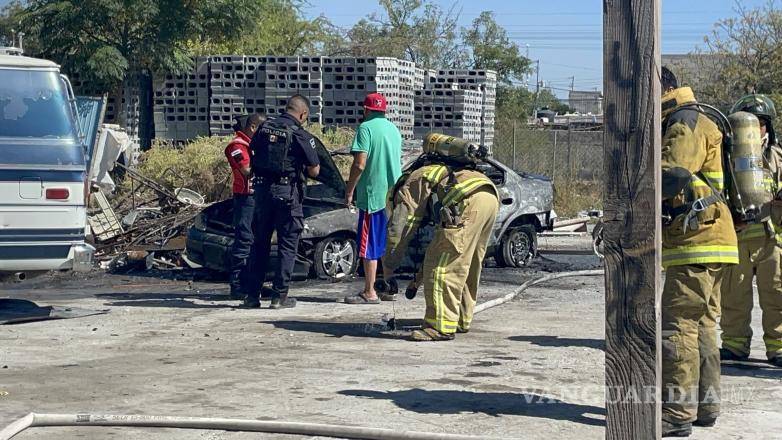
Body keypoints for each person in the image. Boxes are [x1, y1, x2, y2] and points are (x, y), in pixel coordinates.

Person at [659, 67, 739, 437]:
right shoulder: (702, 118)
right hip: (717, 238)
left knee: (679, 325)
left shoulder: (682, 121)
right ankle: (706, 405)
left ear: (665, 88)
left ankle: (676, 413)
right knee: (706, 324)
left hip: (695, 239)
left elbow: (672, 173)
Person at [381, 133, 499, 341]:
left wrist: (388, 265)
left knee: (441, 267)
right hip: (488, 195)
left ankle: (439, 326)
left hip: (466, 203)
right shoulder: (445, 168)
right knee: (467, 262)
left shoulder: (414, 180)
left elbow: (400, 226)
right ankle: (460, 319)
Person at [720, 94, 782, 368]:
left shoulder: (778, 157)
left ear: (766, 127)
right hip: (739, 235)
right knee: (734, 295)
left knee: (777, 294)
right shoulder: (727, 157)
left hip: (773, 238)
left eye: (759, 123)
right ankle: (734, 345)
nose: (753, 129)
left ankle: (778, 347)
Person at [244, 95, 320, 309]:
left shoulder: (264, 127)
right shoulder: (300, 135)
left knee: (259, 244)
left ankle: (251, 295)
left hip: (261, 192)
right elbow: (315, 170)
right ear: (303, 114)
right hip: (287, 193)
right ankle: (279, 297)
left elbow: (253, 151)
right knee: (288, 244)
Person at [343, 93, 403, 305]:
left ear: (366, 110)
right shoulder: (393, 130)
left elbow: (359, 164)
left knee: (369, 244)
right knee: (386, 242)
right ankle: (388, 287)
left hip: (372, 195)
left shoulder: (365, 128)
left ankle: (370, 291)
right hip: (393, 194)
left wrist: (350, 190)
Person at [224, 113, 264, 300]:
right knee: (244, 240)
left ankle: (251, 283)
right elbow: (246, 171)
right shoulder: (237, 146)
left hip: (257, 198)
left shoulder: (253, 145)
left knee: (256, 241)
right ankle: (237, 285)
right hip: (244, 198)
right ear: (253, 128)